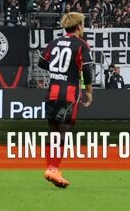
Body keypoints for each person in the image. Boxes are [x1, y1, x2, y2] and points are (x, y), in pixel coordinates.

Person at [40, 11, 96, 189]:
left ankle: (51, 167)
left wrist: (58, 69)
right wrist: (89, 92)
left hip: (53, 92)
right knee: (63, 131)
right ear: (79, 26)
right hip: (69, 94)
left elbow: (42, 62)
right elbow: (87, 70)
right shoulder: (81, 44)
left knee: (53, 130)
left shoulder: (54, 42)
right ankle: (54, 168)